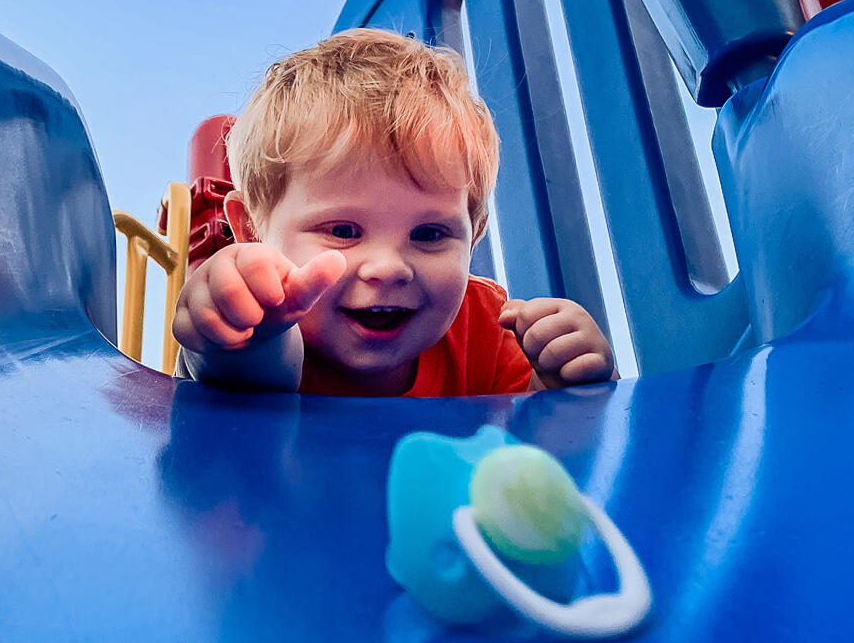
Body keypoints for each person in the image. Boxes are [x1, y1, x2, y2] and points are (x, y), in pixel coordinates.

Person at [173, 28, 615, 395]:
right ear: (251, 228)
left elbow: (532, 451)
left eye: (428, 234)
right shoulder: (265, 324)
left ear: (474, 234)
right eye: (343, 230)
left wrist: (561, 385)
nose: (388, 268)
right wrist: (243, 330)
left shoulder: (486, 329)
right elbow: (247, 375)